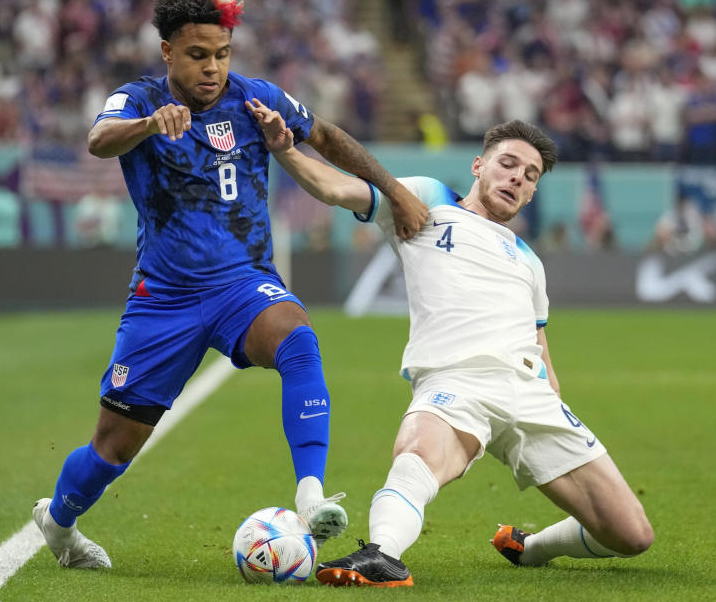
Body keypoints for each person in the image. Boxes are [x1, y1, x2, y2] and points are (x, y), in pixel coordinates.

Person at [32, 0, 427, 570]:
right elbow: (96, 140)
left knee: (297, 338)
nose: (212, 67)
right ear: (168, 52)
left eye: (221, 53)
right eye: (197, 55)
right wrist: (147, 126)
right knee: (112, 450)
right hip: (163, 299)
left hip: (243, 284)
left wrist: (393, 191)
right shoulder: (138, 98)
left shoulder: (254, 99)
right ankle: (59, 526)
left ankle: (311, 493)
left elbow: (328, 138)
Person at [246, 101, 653, 587]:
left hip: (530, 394)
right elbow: (336, 187)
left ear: (532, 193)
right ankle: (382, 555)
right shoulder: (428, 199)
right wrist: (285, 149)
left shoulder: (529, 262)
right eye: (507, 164)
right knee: (417, 454)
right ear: (479, 166)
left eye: (530, 174)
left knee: (631, 534)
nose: (517, 178)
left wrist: (553, 403)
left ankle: (529, 548)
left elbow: (540, 341)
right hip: (457, 378)